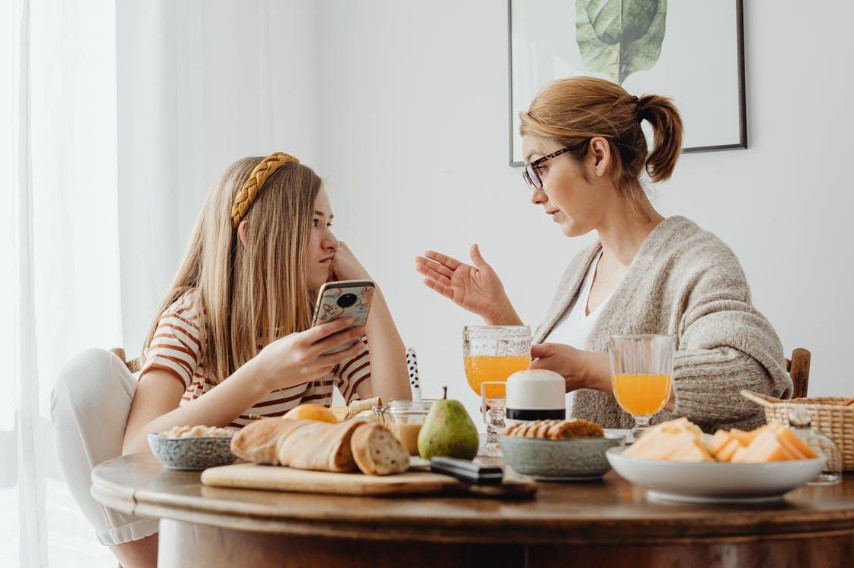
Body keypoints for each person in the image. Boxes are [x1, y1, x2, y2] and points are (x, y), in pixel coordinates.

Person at [51, 152, 411, 567]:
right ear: (254, 234)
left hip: (280, 522)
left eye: (329, 224)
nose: (331, 241)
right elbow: (136, 450)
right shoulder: (195, 314)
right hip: (197, 524)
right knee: (86, 374)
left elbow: (395, 413)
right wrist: (261, 376)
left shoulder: (319, 322)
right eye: (313, 223)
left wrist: (372, 293)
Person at [416, 76, 791, 435]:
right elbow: (551, 391)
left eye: (541, 167)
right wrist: (500, 316)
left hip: (647, 496)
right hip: (565, 492)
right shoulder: (583, 268)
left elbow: (749, 375)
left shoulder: (697, 263)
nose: (535, 193)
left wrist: (591, 368)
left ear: (597, 155)